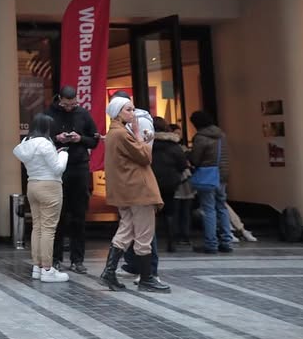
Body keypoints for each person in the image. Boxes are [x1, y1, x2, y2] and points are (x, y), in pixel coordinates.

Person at [99, 96, 170, 292]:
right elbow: (145, 156)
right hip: (139, 190)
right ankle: (147, 278)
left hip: (126, 191)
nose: (133, 113)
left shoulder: (113, 133)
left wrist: (139, 140)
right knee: (144, 235)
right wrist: (139, 136)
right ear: (118, 113)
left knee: (126, 231)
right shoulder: (123, 134)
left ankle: (109, 272)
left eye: (132, 108)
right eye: (128, 109)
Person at [45, 86, 100, 274]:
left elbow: (94, 140)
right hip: (57, 168)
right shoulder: (50, 114)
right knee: (57, 214)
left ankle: (77, 259)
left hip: (79, 166)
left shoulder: (83, 114)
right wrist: (56, 138)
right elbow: (40, 139)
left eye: (73, 104)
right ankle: (56, 258)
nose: (69, 107)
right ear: (59, 99)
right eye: (66, 105)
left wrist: (80, 138)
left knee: (79, 215)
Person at [13, 113, 69, 282]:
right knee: (48, 229)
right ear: (46, 128)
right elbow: (57, 168)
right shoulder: (45, 143)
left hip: (32, 185)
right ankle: (47, 269)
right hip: (50, 186)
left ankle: (37, 267)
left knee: (37, 227)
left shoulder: (26, 143)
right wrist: (63, 155)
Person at [190, 110, 232, 253]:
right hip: (222, 175)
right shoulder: (221, 135)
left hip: (208, 176)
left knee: (208, 209)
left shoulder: (200, 137)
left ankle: (211, 243)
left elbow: (195, 159)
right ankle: (227, 241)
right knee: (222, 207)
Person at [150, 117, 187, 252]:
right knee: (170, 211)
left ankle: (150, 243)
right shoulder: (173, 145)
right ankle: (171, 241)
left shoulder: (147, 144)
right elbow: (182, 164)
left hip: (150, 181)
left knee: (150, 212)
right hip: (170, 181)